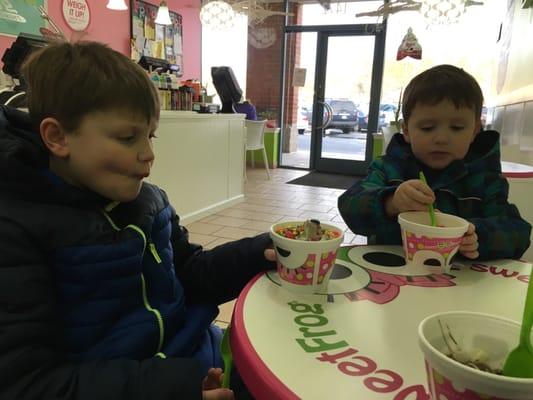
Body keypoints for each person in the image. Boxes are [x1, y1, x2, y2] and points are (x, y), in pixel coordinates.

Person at [0, 41, 276, 399]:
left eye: (150, 135)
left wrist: (259, 252)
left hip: (196, 355)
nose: (148, 154)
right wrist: (177, 388)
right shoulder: (16, 230)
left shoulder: (149, 201)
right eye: (128, 137)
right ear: (57, 137)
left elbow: (189, 274)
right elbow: (28, 384)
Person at [338, 64, 531, 261]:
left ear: (474, 131)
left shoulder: (485, 178)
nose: (441, 138)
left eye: (456, 127)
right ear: (406, 130)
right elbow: (349, 206)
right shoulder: (389, 168)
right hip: (392, 279)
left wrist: (479, 235)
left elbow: (519, 233)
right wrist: (391, 202)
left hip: (460, 285)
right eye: (428, 128)